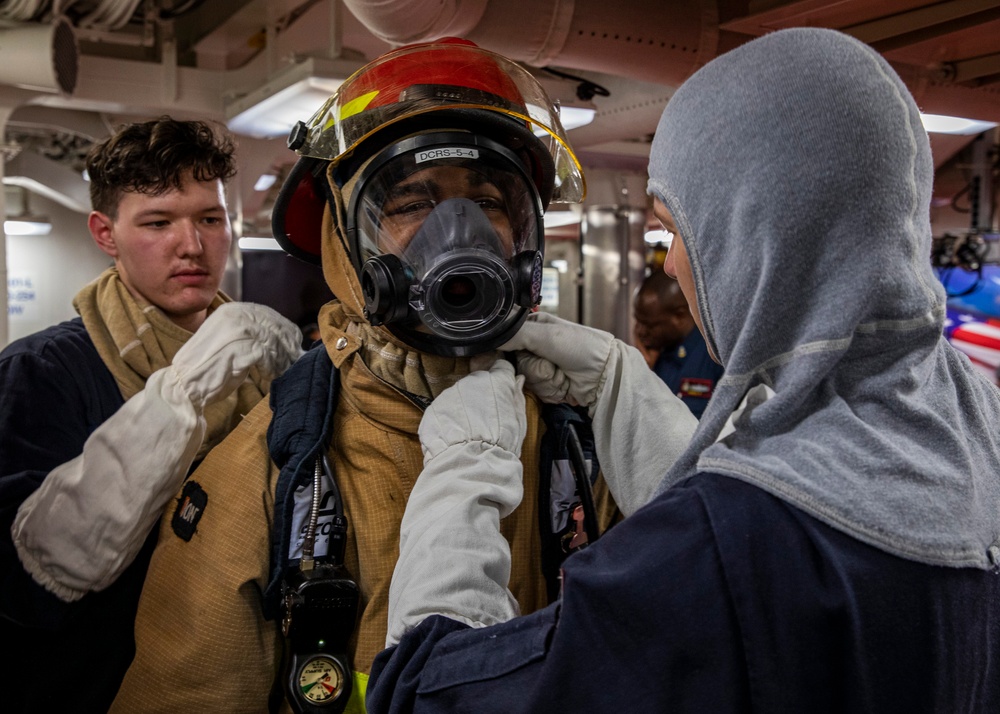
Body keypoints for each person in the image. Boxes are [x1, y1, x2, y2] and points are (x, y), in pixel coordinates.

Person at [365, 27, 1000, 712]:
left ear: (749, 238)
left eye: (673, 232)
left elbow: (425, 695)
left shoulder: (726, 544)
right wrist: (623, 391)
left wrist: (466, 468)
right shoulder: (976, 424)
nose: (668, 265)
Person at [108, 39, 698, 714]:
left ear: (524, 233)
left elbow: (704, 629)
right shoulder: (272, 469)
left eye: (488, 202)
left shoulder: (584, 436)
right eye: (412, 203)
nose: (459, 234)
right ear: (344, 241)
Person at [0, 117, 302, 714]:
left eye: (209, 220)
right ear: (105, 234)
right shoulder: (39, 374)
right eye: (158, 223)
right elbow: (21, 585)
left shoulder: (264, 366)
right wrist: (189, 389)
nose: (191, 246)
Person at [634, 269, 723, 418]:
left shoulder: (714, 354)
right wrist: (643, 373)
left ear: (680, 316)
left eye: (650, 325)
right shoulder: (653, 356)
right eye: (638, 321)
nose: (641, 332)